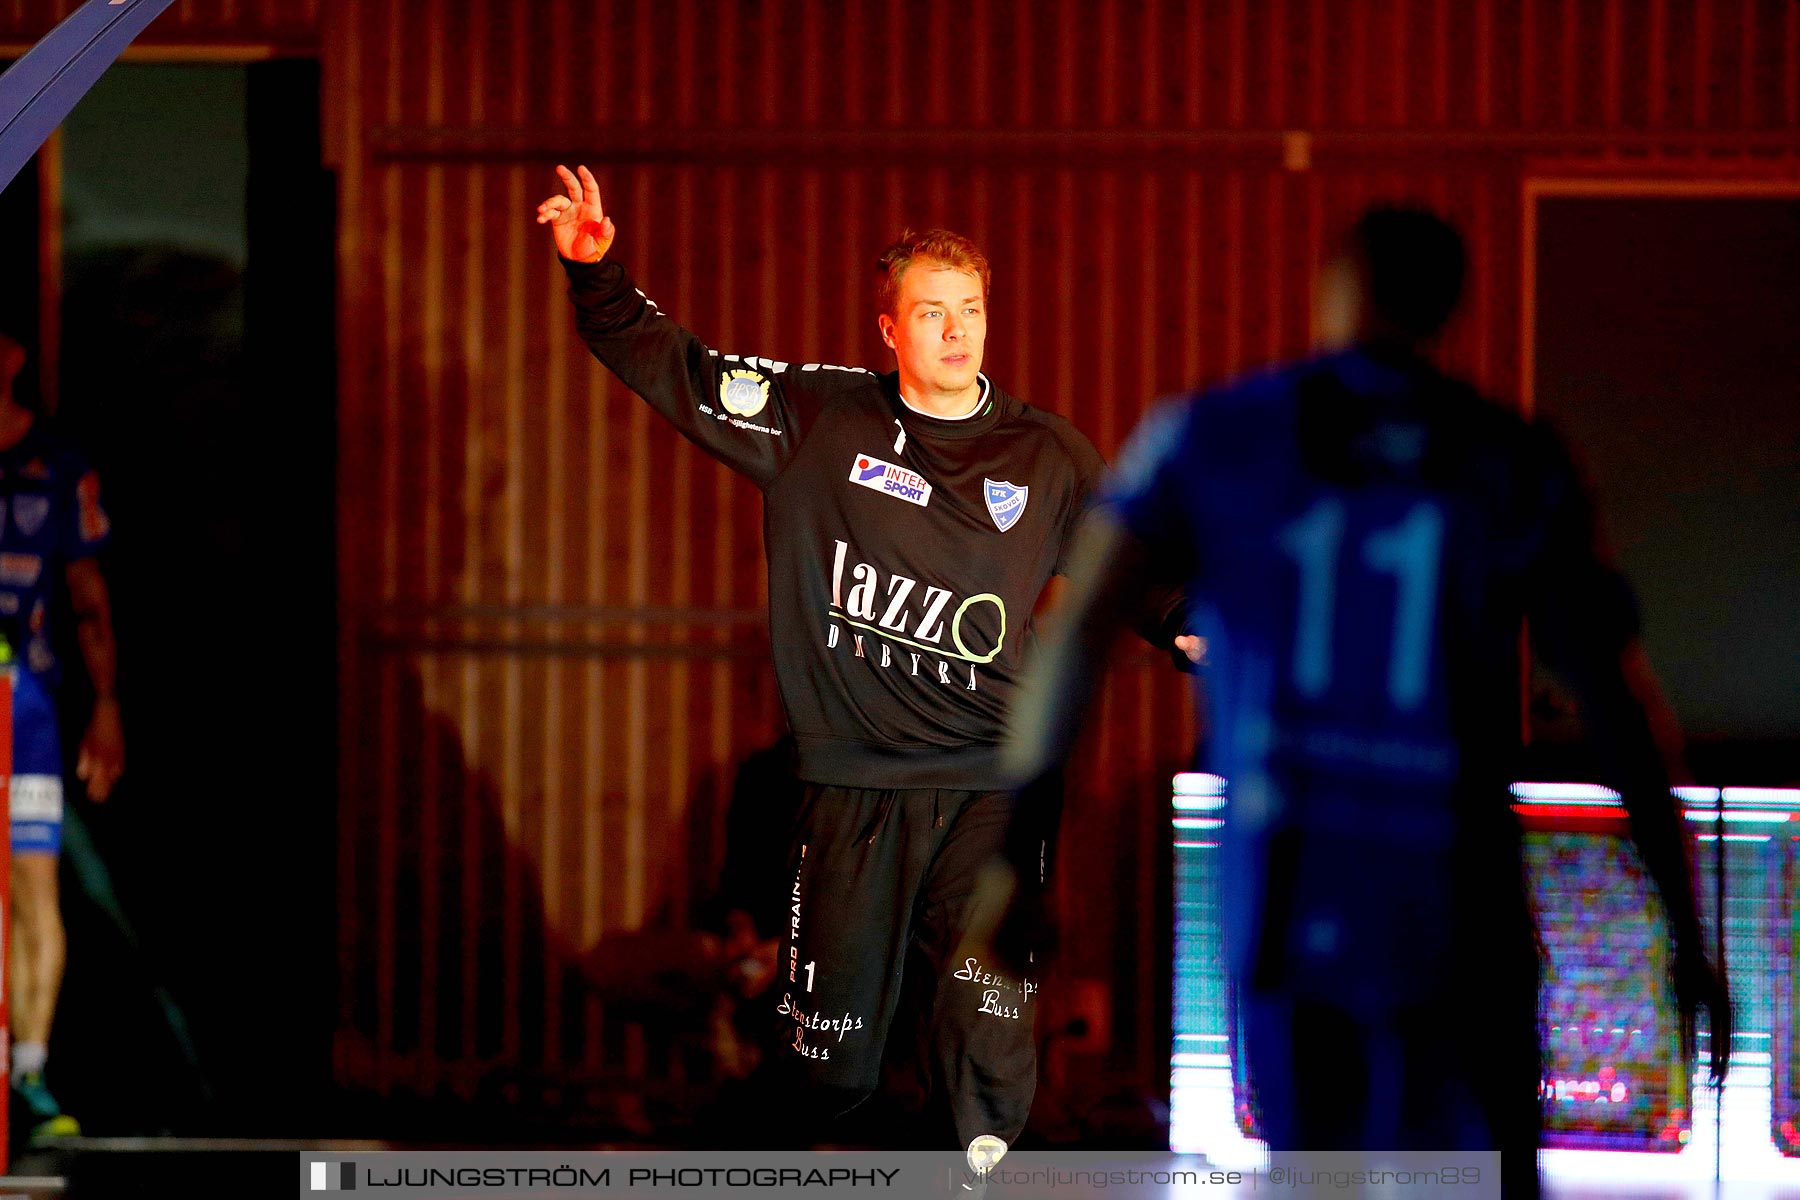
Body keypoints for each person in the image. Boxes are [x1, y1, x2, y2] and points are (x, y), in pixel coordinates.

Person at [1004, 208, 1732, 1195]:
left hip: (1293, 910)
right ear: (1452, 309)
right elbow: (1617, 704)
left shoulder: (1212, 435)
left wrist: (1017, 860)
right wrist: (1683, 929)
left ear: (1330, 293)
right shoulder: (1512, 459)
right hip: (1457, 918)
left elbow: (1077, 632)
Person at [536, 165, 1195, 1160]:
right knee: (829, 1074)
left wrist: (1190, 623)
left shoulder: (1047, 453)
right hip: (851, 789)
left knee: (986, 1053)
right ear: (890, 330)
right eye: (931, 312)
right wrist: (598, 275)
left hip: (993, 789)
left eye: (970, 309)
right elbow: (675, 365)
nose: (955, 329)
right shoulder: (818, 419)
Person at [0, 334, 124, 1142]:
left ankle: (31, 1074)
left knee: (33, 895)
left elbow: (88, 594)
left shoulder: (57, 462)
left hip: (28, 706)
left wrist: (107, 706)